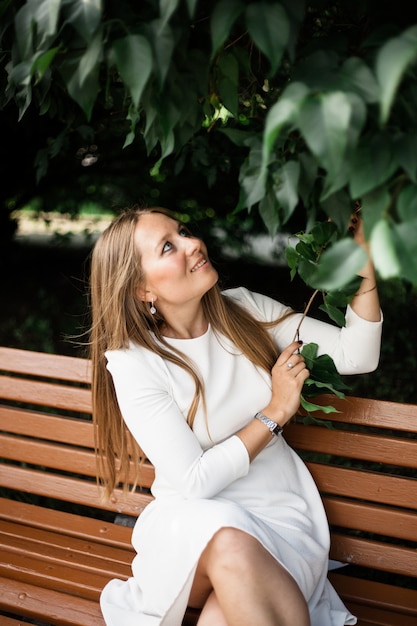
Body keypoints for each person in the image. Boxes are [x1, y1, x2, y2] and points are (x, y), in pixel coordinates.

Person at [90, 205, 382, 626]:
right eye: (169, 246)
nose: (193, 244)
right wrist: (275, 411)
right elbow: (193, 481)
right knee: (226, 539)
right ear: (142, 290)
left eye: (185, 231)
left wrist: (364, 267)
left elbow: (357, 354)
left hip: (280, 516)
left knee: (223, 614)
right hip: (189, 524)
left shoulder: (244, 310)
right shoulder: (135, 362)